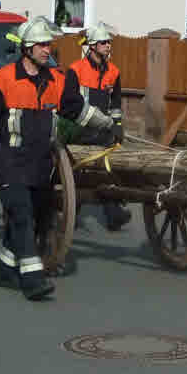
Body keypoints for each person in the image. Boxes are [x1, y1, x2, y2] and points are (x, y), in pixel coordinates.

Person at [0, 15, 114, 300]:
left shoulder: (56, 81)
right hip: (9, 162)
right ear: (27, 48)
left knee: (36, 217)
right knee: (22, 215)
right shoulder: (3, 80)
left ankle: (6, 268)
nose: (47, 49)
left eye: (48, 44)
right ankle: (33, 279)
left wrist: (109, 124)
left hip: (41, 166)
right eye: (42, 45)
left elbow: (78, 109)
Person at [68, 21, 131, 229]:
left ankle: (113, 212)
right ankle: (71, 212)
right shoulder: (75, 70)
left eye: (109, 42)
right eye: (104, 42)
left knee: (108, 166)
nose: (108, 45)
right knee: (81, 172)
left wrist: (118, 124)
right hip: (79, 129)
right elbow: (71, 105)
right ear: (93, 45)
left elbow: (115, 103)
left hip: (104, 130)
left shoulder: (114, 71)